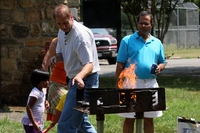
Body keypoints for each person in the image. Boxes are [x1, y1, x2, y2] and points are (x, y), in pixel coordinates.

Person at [50, 4, 100, 133]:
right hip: (74, 81)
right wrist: (56, 58)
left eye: (65, 23)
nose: (63, 27)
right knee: (82, 123)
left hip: (85, 84)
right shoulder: (62, 31)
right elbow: (61, 53)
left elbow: (89, 64)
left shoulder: (80, 36)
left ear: (71, 17)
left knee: (66, 126)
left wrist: (79, 76)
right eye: (59, 24)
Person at [116, 10, 166, 133]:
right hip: (131, 84)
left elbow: (162, 61)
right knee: (129, 118)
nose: (143, 26)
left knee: (149, 118)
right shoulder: (127, 41)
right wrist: (119, 84)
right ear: (137, 24)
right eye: (141, 23)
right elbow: (120, 64)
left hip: (150, 83)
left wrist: (160, 67)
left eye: (146, 23)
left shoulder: (157, 42)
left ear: (151, 24)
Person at [41, 38, 68, 122]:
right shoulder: (56, 42)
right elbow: (45, 63)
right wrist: (44, 85)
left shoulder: (76, 40)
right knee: (67, 106)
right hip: (57, 84)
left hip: (72, 83)